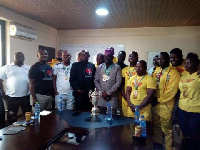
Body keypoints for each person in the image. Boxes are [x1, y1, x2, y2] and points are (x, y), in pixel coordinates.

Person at [152, 52, 180, 150]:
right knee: (156, 127)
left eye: (162, 59)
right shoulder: (157, 71)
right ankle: (157, 146)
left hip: (166, 105)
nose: (160, 61)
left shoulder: (174, 73)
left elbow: (171, 91)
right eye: (159, 59)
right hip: (155, 104)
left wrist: (158, 100)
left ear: (168, 60)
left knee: (167, 130)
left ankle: (169, 148)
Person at [177, 53, 200, 150]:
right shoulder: (183, 74)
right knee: (184, 134)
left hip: (195, 111)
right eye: (185, 63)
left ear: (196, 64)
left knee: (193, 135)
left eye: (189, 63)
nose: (186, 65)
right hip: (182, 109)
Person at [0, 52, 31, 118]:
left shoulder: (29, 68)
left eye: (21, 56)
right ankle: (10, 128)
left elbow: (32, 81)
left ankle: (27, 128)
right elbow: (0, 80)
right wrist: (3, 93)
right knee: (11, 117)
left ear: (24, 58)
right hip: (12, 97)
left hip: (25, 96)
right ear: (14, 58)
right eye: (18, 56)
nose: (20, 57)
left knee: (27, 116)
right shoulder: (6, 67)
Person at [121, 51, 138, 116]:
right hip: (125, 97)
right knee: (125, 120)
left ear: (137, 58)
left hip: (134, 98)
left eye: (134, 57)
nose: (131, 58)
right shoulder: (124, 70)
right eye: (130, 56)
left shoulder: (139, 69)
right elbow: (121, 84)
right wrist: (125, 96)